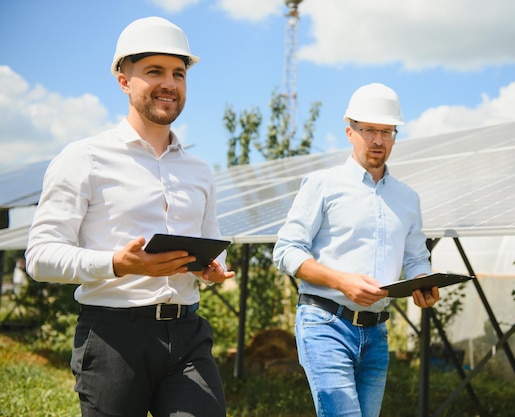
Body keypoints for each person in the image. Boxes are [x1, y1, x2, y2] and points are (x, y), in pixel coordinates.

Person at [25, 16, 235, 417]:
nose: (169, 84)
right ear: (124, 80)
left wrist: (212, 269)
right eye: (154, 71)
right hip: (113, 337)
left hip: (188, 333)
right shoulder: (83, 158)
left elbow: (213, 241)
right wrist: (116, 264)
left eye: (178, 73)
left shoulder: (200, 170)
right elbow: (39, 257)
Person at [273, 83, 440, 417]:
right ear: (350, 131)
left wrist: (423, 281)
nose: (378, 140)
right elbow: (286, 251)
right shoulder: (322, 184)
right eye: (368, 131)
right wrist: (341, 281)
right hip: (325, 324)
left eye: (387, 131)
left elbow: (416, 257)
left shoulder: (408, 199)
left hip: (376, 333)